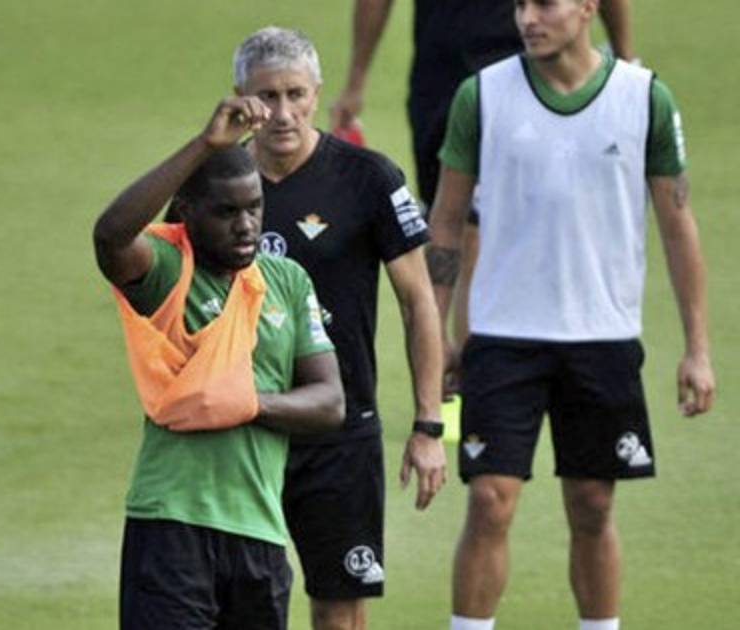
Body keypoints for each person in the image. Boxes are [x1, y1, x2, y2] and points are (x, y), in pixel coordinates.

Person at [425, 1, 716, 629]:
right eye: (520, 4)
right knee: (490, 500)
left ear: (588, 7)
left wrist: (697, 348)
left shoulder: (645, 98)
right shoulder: (481, 96)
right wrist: (438, 333)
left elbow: (678, 225)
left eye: (545, 3)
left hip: (603, 336)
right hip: (502, 335)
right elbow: (445, 222)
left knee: (592, 503)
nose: (527, 17)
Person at [94, 96, 347, 629]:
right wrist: (205, 144)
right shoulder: (168, 271)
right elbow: (111, 236)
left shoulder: (286, 280)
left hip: (259, 532)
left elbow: (329, 403)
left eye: (254, 207)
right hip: (171, 524)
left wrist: (246, 403)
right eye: (227, 212)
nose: (246, 225)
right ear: (187, 213)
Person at [231, 27, 446, 630]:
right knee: (244, 605)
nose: (282, 113)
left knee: (339, 609)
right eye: (266, 96)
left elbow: (418, 303)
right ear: (241, 98)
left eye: (295, 94)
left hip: (340, 431)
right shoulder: (216, 180)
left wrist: (429, 425)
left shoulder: (369, 179)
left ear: (317, 93)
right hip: (243, 427)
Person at [330, 0, 632, 212]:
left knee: (535, 210)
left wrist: (625, 68)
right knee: (448, 215)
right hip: (442, 82)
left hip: (522, 74)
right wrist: (354, 84)